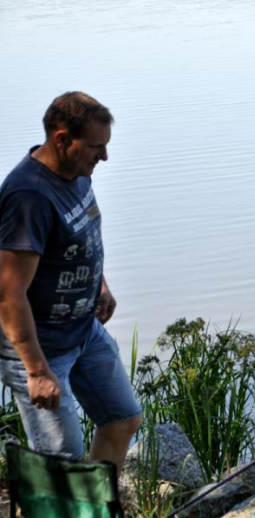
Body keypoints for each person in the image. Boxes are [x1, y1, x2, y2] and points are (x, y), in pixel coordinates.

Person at [0, 92, 141, 474]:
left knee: (123, 419)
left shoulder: (76, 174)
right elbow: (8, 294)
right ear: (62, 140)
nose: (104, 157)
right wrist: (37, 371)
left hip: (84, 330)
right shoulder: (29, 197)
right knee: (63, 467)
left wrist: (100, 285)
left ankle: (97, 508)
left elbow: (80, 237)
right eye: (96, 147)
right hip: (42, 348)